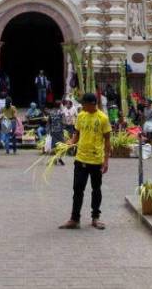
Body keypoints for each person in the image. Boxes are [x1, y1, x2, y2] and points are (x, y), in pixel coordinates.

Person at [59, 93, 112, 230]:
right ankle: (74, 219)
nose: (82, 106)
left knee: (96, 190)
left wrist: (106, 161)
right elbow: (76, 136)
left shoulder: (103, 118)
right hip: (81, 159)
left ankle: (95, 218)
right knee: (77, 189)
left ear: (92, 103)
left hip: (96, 160)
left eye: (84, 104)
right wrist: (67, 144)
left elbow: (107, 141)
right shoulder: (81, 115)